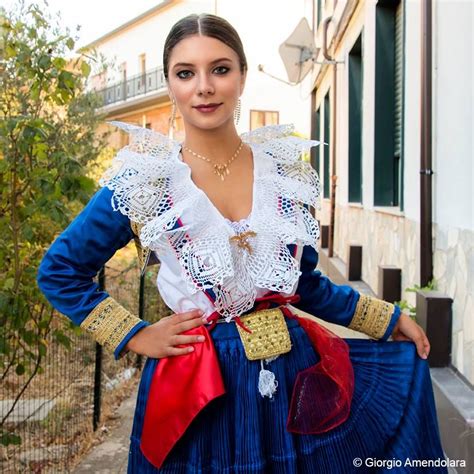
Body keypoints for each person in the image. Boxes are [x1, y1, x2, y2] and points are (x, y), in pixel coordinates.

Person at [37, 13, 447, 474]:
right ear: (171, 85)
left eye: (220, 68)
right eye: (185, 73)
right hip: (199, 384)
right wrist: (136, 335)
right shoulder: (146, 182)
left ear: (242, 76)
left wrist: (387, 320)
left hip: (293, 374)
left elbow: (304, 284)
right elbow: (59, 271)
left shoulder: (283, 173)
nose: (204, 87)